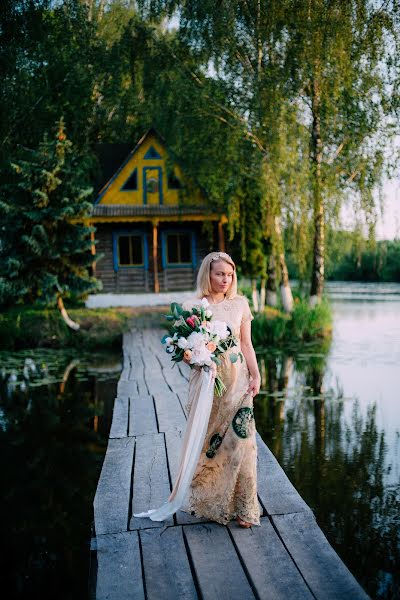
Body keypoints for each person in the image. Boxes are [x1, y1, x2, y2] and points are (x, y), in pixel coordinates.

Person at [180, 250, 262, 528]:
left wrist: (256, 374)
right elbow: (186, 352)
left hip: (239, 387)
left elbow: (247, 344)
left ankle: (244, 508)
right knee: (211, 444)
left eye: (229, 275)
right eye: (219, 274)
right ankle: (214, 502)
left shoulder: (240, 304)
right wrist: (194, 358)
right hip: (209, 387)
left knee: (242, 443)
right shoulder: (194, 306)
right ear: (208, 274)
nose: (225, 279)